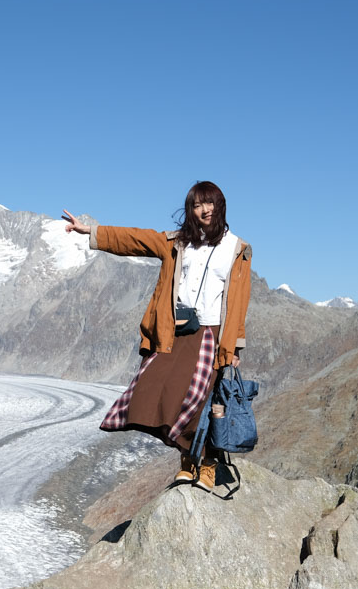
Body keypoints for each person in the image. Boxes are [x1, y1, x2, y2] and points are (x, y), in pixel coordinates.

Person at [62, 181, 252, 491]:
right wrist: (90, 231)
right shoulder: (178, 242)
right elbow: (133, 239)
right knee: (155, 389)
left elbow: (240, 302)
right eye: (196, 205)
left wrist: (234, 345)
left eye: (210, 203)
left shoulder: (237, 249)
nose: (204, 210)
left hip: (211, 334)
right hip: (176, 331)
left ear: (220, 206)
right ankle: (188, 460)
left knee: (200, 400)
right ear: (190, 210)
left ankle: (205, 465)